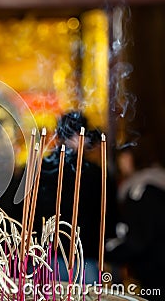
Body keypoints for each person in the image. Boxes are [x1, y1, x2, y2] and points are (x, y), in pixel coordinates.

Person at [35, 111, 117, 283]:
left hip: (48, 255)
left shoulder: (41, 169)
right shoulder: (95, 173)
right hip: (82, 256)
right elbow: (108, 216)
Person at [106, 135, 165, 299]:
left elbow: (138, 238)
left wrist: (109, 252)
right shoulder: (157, 183)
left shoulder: (140, 191)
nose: (121, 162)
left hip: (155, 271)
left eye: (124, 156)